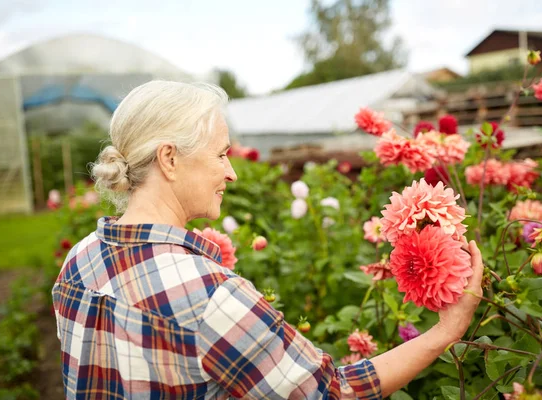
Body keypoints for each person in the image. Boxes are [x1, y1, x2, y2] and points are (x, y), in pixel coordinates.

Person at [52, 80, 484, 399]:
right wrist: (446, 331)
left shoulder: (79, 262)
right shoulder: (210, 296)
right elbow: (332, 393)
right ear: (169, 158)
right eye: (220, 154)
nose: (231, 171)